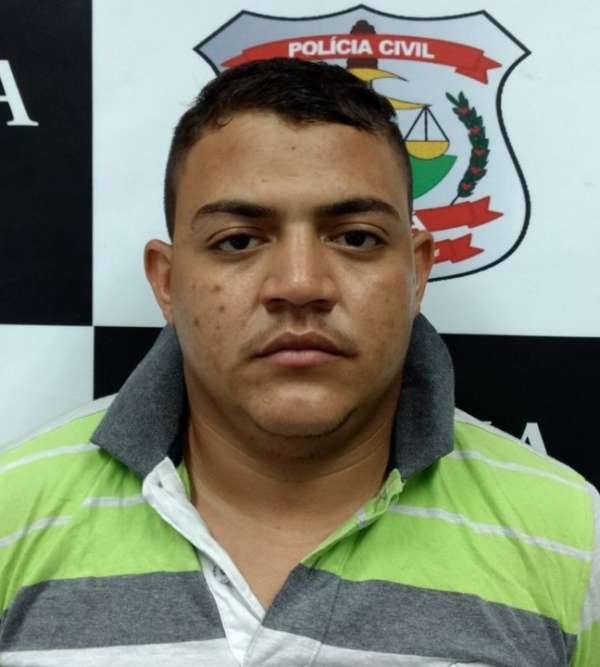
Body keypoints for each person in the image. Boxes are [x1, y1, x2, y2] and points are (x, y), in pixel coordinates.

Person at [0, 58, 597, 666]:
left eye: (356, 237)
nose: (300, 284)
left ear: (416, 273)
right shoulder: (11, 510)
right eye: (238, 240)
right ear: (167, 282)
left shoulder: (570, 535)